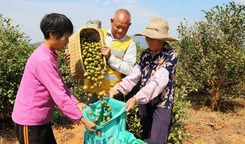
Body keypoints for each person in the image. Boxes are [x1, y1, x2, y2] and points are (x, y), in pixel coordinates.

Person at [12, 13, 96, 144]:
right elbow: (59, 96)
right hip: (30, 122)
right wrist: (83, 120)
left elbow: (60, 86)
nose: (67, 42)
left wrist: (75, 102)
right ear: (52, 34)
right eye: (66, 38)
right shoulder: (43, 60)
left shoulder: (49, 55)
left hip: (41, 120)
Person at [106, 17, 179, 144]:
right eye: (147, 37)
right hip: (144, 102)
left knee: (157, 140)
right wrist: (115, 90)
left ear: (161, 39)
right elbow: (134, 76)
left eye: (152, 38)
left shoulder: (171, 55)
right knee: (146, 135)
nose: (148, 41)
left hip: (162, 103)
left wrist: (135, 98)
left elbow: (158, 83)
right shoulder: (145, 55)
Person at [66, 8, 137, 103]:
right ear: (111, 22)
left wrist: (110, 58)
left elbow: (129, 69)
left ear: (129, 25)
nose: (120, 31)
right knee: (90, 117)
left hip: (112, 94)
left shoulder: (130, 44)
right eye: (118, 26)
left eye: (124, 28)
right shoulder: (98, 34)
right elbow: (83, 54)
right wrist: (73, 58)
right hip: (92, 91)